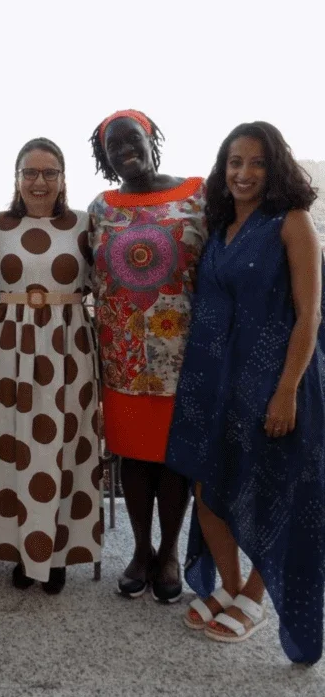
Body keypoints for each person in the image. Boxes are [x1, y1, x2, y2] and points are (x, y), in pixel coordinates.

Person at [166, 122, 325, 663]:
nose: (244, 173)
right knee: (209, 489)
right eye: (235, 162)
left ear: (274, 166)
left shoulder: (292, 223)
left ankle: (255, 600)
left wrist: (287, 391)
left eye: (256, 162)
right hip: (213, 382)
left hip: (272, 381)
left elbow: (309, 316)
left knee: (272, 490)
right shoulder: (219, 225)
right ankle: (229, 588)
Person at [88, 110, 207, 603]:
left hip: (185, 353)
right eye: (112, 147)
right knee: (132, 458)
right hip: (123, 357)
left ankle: (171, 553)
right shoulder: (101, 207)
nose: (123, 151)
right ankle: (141, 550)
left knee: (173, 459)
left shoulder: (198, 194)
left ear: (151, 137)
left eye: (130, 139)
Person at [0, 138, 103, 593]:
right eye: (30, 172)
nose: (39, 181)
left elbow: (110, 282)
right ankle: (18, 549)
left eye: (50, 172)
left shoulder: (85, 226)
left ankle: (56, 554)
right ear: (17, 178)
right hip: (7, 353)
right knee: (10, 447)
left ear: (63, 179)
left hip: (68, 350)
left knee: (64, 447)